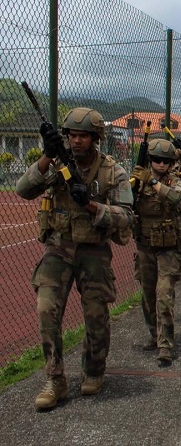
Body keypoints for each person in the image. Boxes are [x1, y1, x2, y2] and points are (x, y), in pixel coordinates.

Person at [16, 108, 134, 410]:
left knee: (96, 314)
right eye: (72, 135)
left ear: (96, 138)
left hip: (94, 251)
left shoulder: (112, 171)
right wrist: (46, 155)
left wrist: (92, 205)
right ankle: (55, 379)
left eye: (83, 136)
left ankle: (93, 369)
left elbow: (126, 216)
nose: (77, 141)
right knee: (46, 309)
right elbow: (23, 190)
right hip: (58, 248)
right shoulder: (56, 165)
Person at [131, 139, 181, 367]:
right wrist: (133, 185)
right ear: (149, 160)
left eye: (166, 161)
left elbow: (176, 198)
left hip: (168, 248)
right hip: (145, 246)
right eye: (156, 160)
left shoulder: (175, 181)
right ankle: (154, 335)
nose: (161, 164)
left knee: (164, 295)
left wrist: (153, 181)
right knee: (147, 295)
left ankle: (165, 344)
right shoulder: (137, 181)